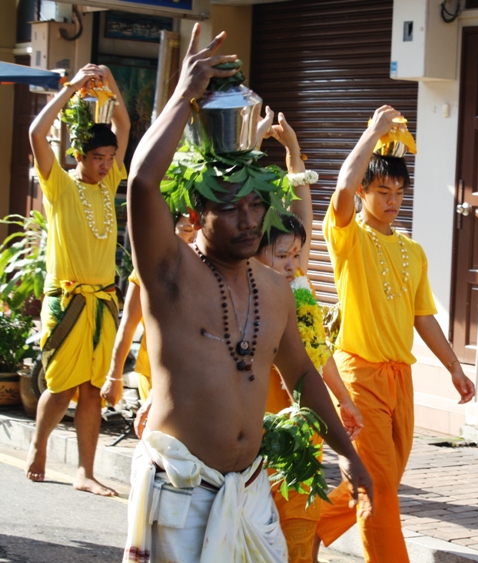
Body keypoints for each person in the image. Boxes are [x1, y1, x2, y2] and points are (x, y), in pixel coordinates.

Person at [123, 24, 372, 562]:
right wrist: (185, 95)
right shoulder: (169, 274)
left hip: (251, 491)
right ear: (196, 214)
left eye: (256, 205)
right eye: (230, 207)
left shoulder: (275, 289)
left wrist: (348, 454)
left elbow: (302, 374)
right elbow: (143, 183)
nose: (249, 219)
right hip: (180, 493)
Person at [314, 105, 475, 563]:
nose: (391, 199)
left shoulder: (413, 251)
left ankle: (304, 529)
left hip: (399, 379)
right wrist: (374, 133)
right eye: (382, 190)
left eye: (399, 191)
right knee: (381, 486)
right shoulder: (349, 237)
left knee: (374, 479)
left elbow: (423, 317)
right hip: (358, 376)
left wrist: (453, 368)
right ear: (365, 191)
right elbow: (343, 186)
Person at [255, 112, 363, 563]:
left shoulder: (298, 284)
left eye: (298, 254)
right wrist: (248, 139)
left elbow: (315, 356)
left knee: (299, 532)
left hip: (302, 421)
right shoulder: (246, 291)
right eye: (283, 255)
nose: (293, 262)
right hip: (252, 427)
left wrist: (293, 151)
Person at [26, 63, 130, 496]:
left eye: (110, 159)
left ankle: (85, 472)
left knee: (92, 390)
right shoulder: (60, 185)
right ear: (79, 157)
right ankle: (38, 444)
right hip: (66, 299)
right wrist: (70, 90)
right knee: (61, 384)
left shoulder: (110, 185)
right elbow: (36, 132)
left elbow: (124, 122)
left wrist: (109, 83)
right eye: (98, 158)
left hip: (104, 301)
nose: (106, 165)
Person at [100, 213, 196, 436]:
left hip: (196, 372)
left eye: (197, 230)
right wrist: (114, 376)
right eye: (186, 230)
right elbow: (128, 325)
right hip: (155, 370)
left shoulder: (211, 269)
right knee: (160, 441)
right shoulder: (149, 268)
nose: (193, 238)